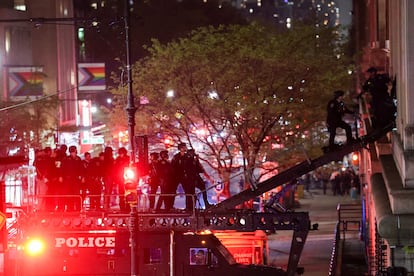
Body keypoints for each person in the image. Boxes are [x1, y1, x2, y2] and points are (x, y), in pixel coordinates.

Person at [171, 143, 194, 211]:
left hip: (185, 176)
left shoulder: (188, 157)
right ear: (180, 148)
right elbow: (173, 166)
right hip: (177, 176)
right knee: (173, 191)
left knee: (187, 191)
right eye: (184, 147)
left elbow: (190, 166)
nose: (185, 148)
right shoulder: (176, 157)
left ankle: (188, 207)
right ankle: (171, 206)